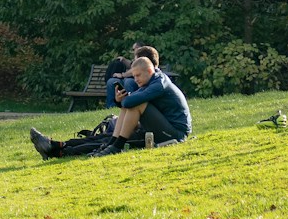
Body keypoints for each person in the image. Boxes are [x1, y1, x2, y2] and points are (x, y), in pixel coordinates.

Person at [31, 56, 190, 159]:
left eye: (137, 76)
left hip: (173, 134)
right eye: (133, 76)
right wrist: (121, 102)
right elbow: (127, 104)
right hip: (158, 127)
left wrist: (124, 101)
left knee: (122, 127)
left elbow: (133, 103)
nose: (135, 80)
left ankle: (59, 150)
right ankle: (58, 146)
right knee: (108, 138)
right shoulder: (152, 80)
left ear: (149, 70)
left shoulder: (158, 84)